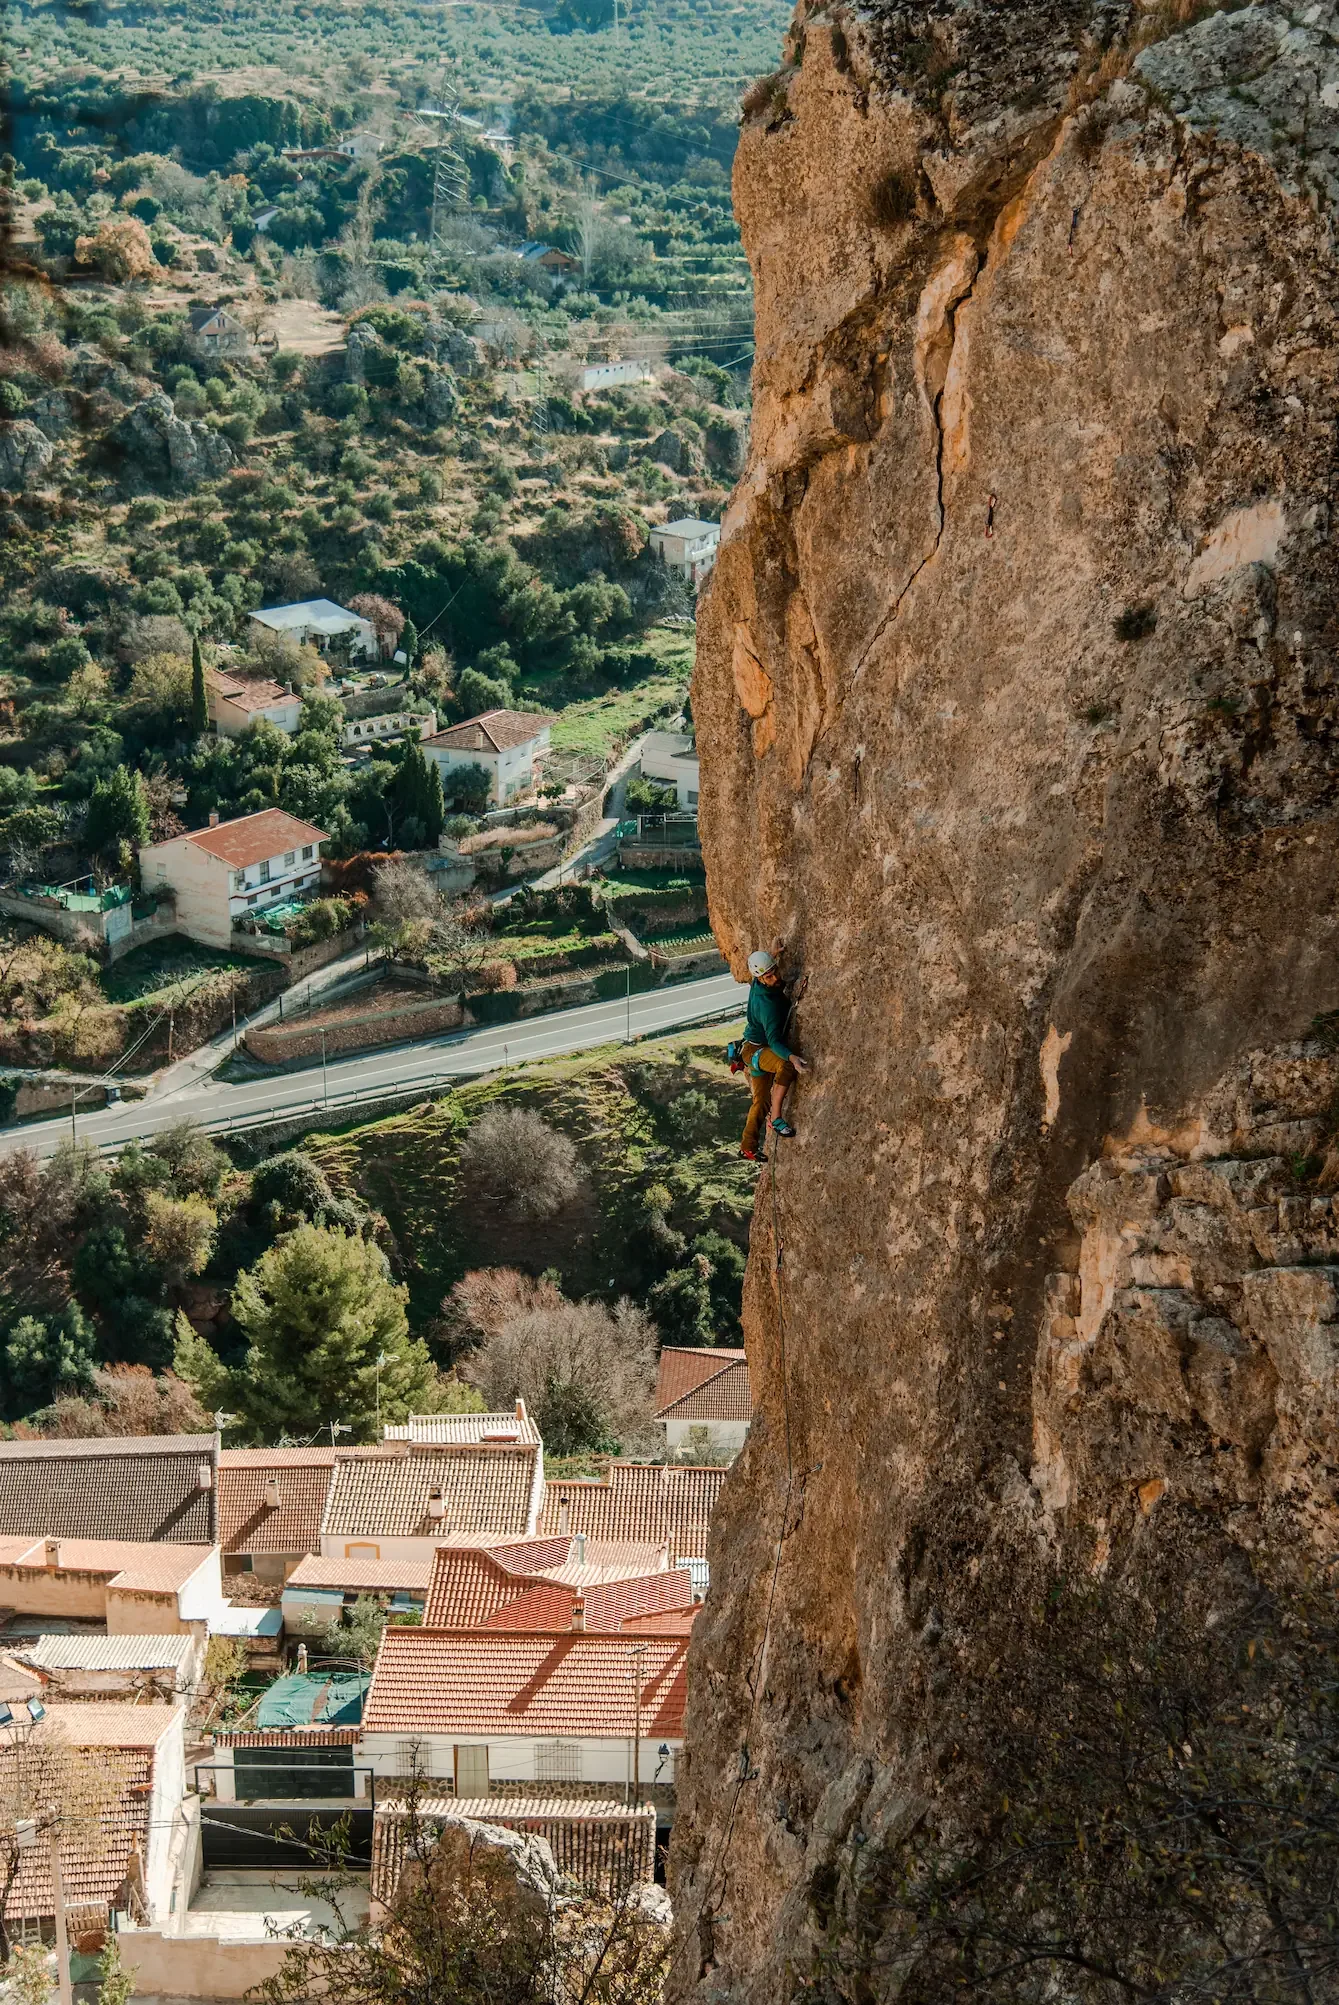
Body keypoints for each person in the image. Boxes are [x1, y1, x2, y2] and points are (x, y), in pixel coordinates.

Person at [738, 948, 809, 1161]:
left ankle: (747, 1147)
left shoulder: (758, 980)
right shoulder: (766, 1005)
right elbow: (774, 1041)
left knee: (761, 1103)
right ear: (761, 978)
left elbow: (763, 965)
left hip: (751, 1050)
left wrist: (772, 953)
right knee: (785, 1065)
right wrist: (792, 1057)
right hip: (758, 1051)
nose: (775, 977)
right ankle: (777, 1119)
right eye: (769, 976)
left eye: (774, 971)